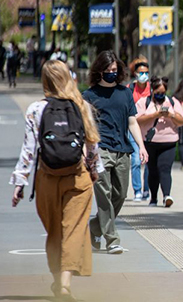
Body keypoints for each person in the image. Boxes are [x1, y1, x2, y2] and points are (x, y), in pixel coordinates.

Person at [10, 60, 104, 301]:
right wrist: (95, 171)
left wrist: (20, 182)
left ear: (45, 81)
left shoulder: (35, 109)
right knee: (73, 230)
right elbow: (92, 143)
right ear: (67, 78)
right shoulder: (81, 105)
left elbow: (29, 149)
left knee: (54, 231)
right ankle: (64, 285)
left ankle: (56, 279)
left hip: (47, 177)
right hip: (77, 176)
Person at [83, 50, 149, 254]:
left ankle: (93, 229)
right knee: (104, 195)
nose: (112, 73)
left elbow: (132, 122)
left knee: (119, 195)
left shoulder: (125, 93)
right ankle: (112, 239)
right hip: (100, 149)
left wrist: (142, 146)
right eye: (107, 70)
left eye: (114, 70)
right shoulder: (89, 95)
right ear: (99, 71)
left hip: (123, 150)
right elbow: (85, 126)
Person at [136, 76, 183, 207]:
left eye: (163, 93)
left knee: (165, 169)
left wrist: (171, 115)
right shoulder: (144, 102)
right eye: (157, 93)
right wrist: (155, 115)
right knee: (152, 170)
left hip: (168, 141)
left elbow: (182, 121)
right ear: (152, 90)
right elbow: (137, 120)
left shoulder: (172, 102)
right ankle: (153, 198)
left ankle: (166, 196)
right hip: (150, 141)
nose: (160, 95)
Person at [127, 58, 151, 201]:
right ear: (135, 73)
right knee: (136, 160)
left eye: (146, 72)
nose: (143, 75)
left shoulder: (151, 88)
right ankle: (137, 190)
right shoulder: (129, 89)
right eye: (141, 72)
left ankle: (146, 189)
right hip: (133, 128)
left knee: (148, 160)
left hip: (149, 129)